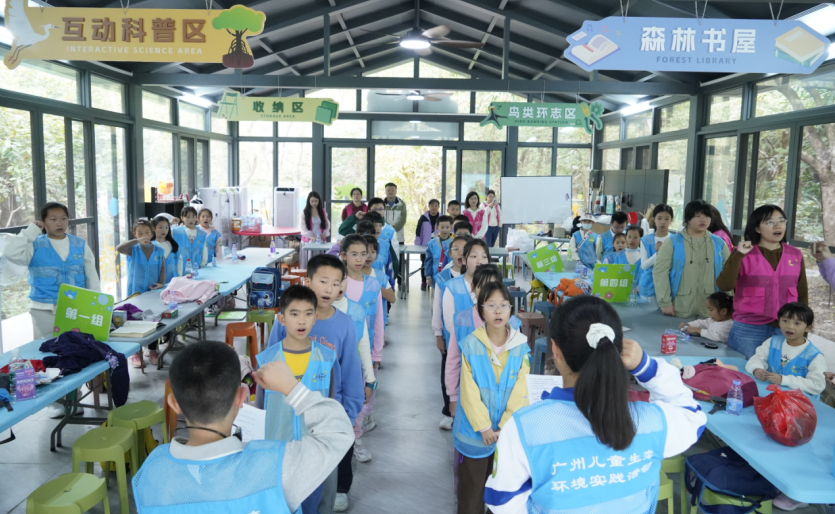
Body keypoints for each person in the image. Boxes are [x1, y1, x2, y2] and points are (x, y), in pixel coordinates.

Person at [485, 296, 707, 514]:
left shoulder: (525, 428)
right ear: (618, 350)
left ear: (555, 350)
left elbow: (502, 501)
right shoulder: (651, 423)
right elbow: (692, 415)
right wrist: (645, 366)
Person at [133, 341, 353, 514]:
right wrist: (292, 388)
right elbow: (339, 432)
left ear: (174, 404)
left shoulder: (149, 473)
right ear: (242, 397)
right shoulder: (277, 467)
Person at [266, 254, 364, 514]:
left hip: (324, 421)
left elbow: (352, 372)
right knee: (286, 485)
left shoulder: (344, 325)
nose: (329, 289)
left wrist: (349, 414)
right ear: (308, 281)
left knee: (322, 488)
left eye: (336, 283)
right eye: (323, 281)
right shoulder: (285, 320)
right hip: (285, 417)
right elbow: (270, 366)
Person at [5, 202, 102, 419]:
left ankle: (74, 397)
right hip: (44, 308)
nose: (60, 223)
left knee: (75, 352)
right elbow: (10, 253)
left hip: (75, 309)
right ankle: (56, 402)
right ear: (43, 222)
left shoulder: (79, 243)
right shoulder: (34, 244)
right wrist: (31, 230)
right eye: (53, 219)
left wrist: (95, 304)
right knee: (49, 354)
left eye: (63, 218)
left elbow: (91, 274)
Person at [257, 284, 340, 514]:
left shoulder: (327, 358)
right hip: (278, 455)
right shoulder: (267, 360)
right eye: (294, 314)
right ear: (281, 319)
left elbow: (332, 405)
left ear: (315, 317)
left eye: (308, 314)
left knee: (314, 506)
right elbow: (260, 408)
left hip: (314, 455)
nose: (301, 321)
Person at [454, 281, 530, 514]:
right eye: (491, 305)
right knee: (472, 491)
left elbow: (521, 391)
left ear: (511, 309)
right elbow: (468, 393)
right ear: (481, 310)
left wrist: (504, 427)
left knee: (502, 494)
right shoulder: (470, 345)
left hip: (507, 434)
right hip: (475, 434)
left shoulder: (521, 346)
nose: (498, 311)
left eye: (504, 305)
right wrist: (485, 427)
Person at [717, 204, 807, 358]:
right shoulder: (743, 252)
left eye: (782, 221)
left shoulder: (795, 254)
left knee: (779, 369)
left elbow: (802, 291)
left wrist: (804, 324)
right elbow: (724, 285)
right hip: (749, 328)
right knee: (745, 368)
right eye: (770, 222)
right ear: (757, 228)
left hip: (786, 326)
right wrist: (738, 255)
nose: (778, 225)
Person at [339, 234, 384, 466]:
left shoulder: (373, 284)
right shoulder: (337, 283)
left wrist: (377, 353)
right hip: (338, 354)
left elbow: (378, 320)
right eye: (354, 254)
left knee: (359, 399)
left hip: (364, 353)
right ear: (343, 256)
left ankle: (356, 439)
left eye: (363, 254)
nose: (359, 259)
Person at [653, 200, 729, 319]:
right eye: (697, 216)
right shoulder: (673, 242)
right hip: (679, 307)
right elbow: (660, 272)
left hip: (711, 311)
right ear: (688, 218)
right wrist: (665, 303)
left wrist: (728, 304)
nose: (703, 220)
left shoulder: (719, 243)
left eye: (706, 216)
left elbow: (728, 274)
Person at [746, 302, 825, 398]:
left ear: (808, 328)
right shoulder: (772, 342)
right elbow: (756, 359)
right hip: (771, 396)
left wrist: (783, 380)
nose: (789, 326)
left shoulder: (814, 355)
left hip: (800, 401)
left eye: (797, 323)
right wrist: (756, 369)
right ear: (779, 322)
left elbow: (817, 385)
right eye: (785, 321)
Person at [433, 235, 470, 431]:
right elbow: (437, 308)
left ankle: (468, 411)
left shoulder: (476, 276)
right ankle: (449, 411)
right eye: (456, 249)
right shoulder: (443, 278)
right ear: (449, 253)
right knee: (448, 373)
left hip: (472, 336)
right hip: (450, 337)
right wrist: (438, 334)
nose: (461, 253)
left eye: (465, 249)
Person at [117, 220, 165, 297]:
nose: (144, 236)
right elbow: (119, 248)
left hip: (152, 289)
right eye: (140, 233)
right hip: (136, 290)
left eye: (147, 232)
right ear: (135, 234)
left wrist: (161, 283)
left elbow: (162, 269)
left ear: (152, 234)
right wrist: (137, 241)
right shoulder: (133, 250)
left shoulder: (159, 251)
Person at [638, 204, 674, 305]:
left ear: (671, 220)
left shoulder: (675, 240)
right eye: (659, 218)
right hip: (649, 285)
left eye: (666, 219)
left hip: (669, 284)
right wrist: (658, 254)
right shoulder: (645, 240)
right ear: (654, 219)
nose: (663, 222)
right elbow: (644, 266)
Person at [415, 199, 442, 291]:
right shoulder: (423, 217)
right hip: (425, 245)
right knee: (425, 263)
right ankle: (424, 282)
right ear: (429, 206)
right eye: (432, 205)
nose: (434, 207)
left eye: (436, 206)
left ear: (438, 207)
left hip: (437, 245)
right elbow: (418, 230)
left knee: (437, 264)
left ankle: (435, 282)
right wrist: (418, 244)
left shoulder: (441, 217)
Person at [172, 206, 208, 274]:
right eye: (187, 217)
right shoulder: (175, 232)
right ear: (182, 218)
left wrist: (202, 266)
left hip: (196, 270)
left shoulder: (202, 234)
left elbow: (204, 252)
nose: (190, 220)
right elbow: (161, 231)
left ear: (196, 217)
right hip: (180, 270)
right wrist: (170, 223)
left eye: (193, 217)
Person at [362, 235, 397, 306]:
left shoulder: (380, 276)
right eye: (365, 252)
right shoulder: (350, 275)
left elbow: (392, 299)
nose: (369, 256)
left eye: (373, 252)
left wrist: (374, 286)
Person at [300, 191, 330, 269]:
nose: (314, 203)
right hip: (308, 239)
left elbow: (327, 224)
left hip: (320, 238)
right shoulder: (304, 212)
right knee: (310, 259)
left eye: (316, 201)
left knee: (320, 260)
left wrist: (324, 233)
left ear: (319, 201)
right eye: (312, 201)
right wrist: (311, 236)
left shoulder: (323, 211)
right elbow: (303, 226)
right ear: (308, 201)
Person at [424, 215, 453, 290]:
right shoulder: (431, 243)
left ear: (451, 227)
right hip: (436, 276)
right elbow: (428, 261)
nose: (445, 230)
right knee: (436, 296)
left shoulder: (454, 244)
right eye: (442, 227)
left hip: (451, 277)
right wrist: (428, 276)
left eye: (447, 227)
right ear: (437, 228)